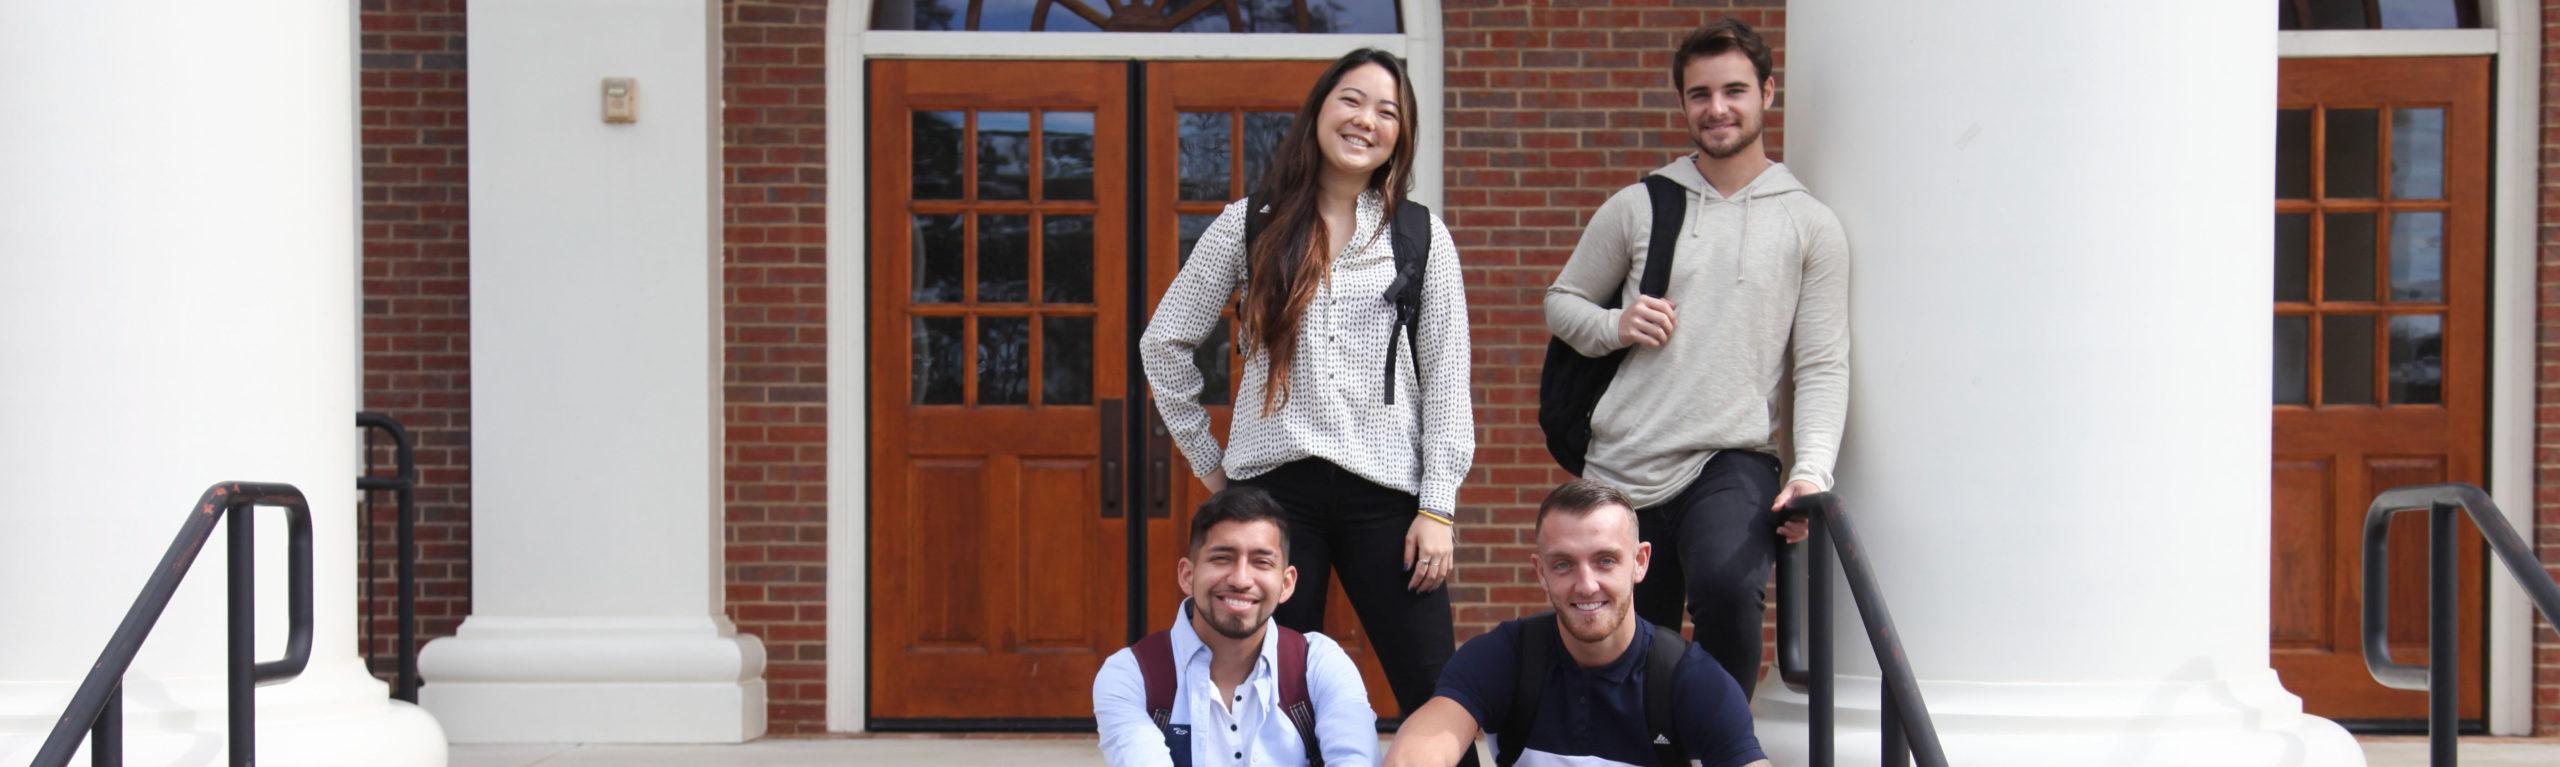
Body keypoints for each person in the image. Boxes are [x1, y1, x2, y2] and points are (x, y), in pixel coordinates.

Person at [1140, 47, 1476, 750]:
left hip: (1390, 497)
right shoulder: (1250, 224)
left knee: (1436, 691)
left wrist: (1437, 504)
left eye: (1387, 111)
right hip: (1275, 498)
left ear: (1401, 135)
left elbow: (1447, 379)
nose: (1366, 120)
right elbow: (1162, 342)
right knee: (1276, 700)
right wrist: (1211, 462)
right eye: (1352, 100)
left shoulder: (1420, 237)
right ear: (1320, 109)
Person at [1541, 18, 1850, 696]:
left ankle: (1722, 740)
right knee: (1623, 639)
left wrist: (1812, 469)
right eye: (1699, 94)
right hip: (1623, 457)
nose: (1717, 109)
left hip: (1727, 454)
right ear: (1682, 102)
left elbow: (1822, 364)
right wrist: (1617, 324)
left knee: (1728, 584)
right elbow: (1562, 303)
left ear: (1767, 93)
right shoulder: (1640, 205)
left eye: (1734, 90)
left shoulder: (1810, 225)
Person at [1383, 481, 1770, 767]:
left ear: (1640, 562)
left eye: (1605, 560)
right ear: (1541, 571)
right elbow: (1416, 753)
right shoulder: (1506, 657)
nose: (1586, 585)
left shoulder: (1689, 679)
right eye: (1564, 564)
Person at [1094, 487, 1381, 767]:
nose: (1241, 579)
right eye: (1222, 558)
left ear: (1286, 584)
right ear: (1187, 575)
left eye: (1261, 562)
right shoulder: (1130, 675)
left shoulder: (1319, 664)